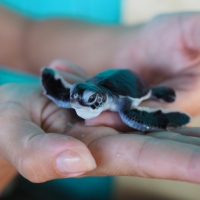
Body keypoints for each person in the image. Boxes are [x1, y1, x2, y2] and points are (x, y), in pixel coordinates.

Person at [1, 5, 200, 190]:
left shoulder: (122, 104)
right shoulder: (74, 98)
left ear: (101, 99)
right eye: (75, 96)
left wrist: (127, 43)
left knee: (133, 117)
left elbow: (24, 36)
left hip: (134, 84)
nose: (77, 102)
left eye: (87, 98)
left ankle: (158, 92)